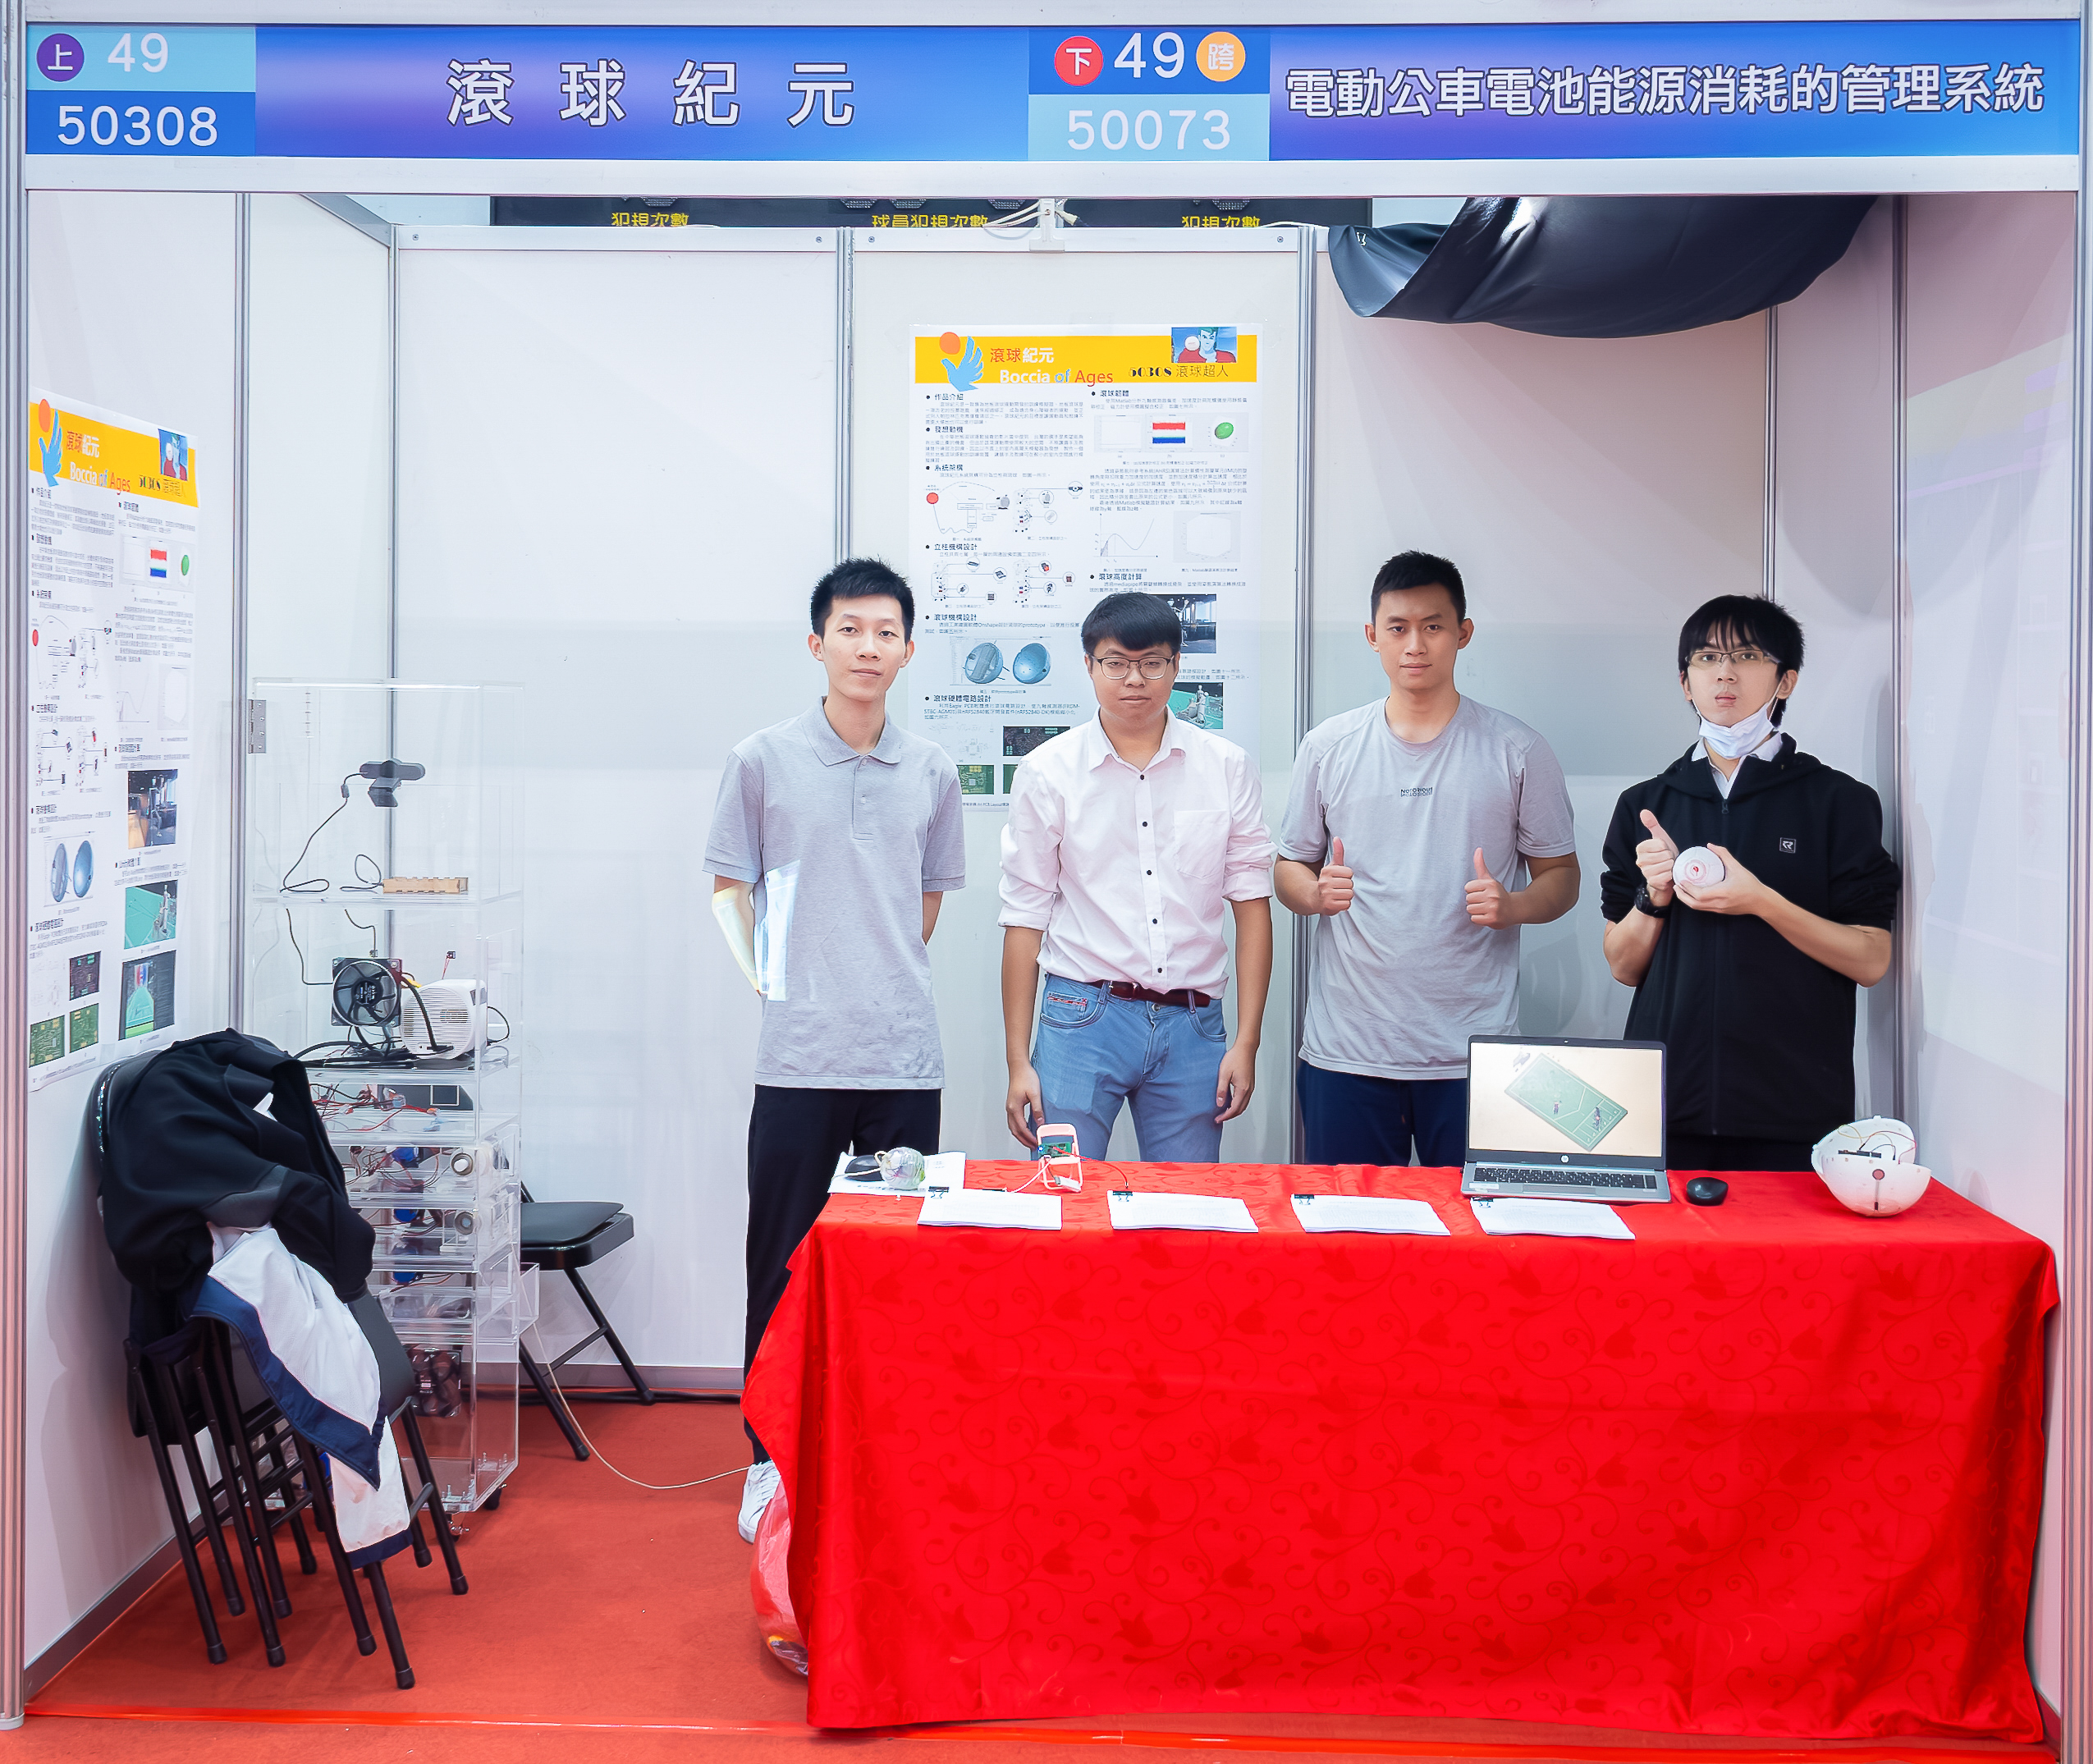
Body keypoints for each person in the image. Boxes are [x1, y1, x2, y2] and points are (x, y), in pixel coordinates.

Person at [704, 558, 964, 1542]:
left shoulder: (933, 770)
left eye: (886, 631)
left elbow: (925, 903)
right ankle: (768, 1459)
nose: (868, 646)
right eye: (850, 629)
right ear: (818, 643)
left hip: (902, 1062)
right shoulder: (761, 760)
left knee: (893, 1267)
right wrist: (778, 981)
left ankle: (878, 1452)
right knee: (778, 1265)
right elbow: (727, 887)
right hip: (799, 1063)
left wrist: (870, 972)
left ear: (908, 648)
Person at [1275, 551, 1578, 1167]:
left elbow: (1563, 876)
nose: (1415, 645)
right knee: (1347, 1224)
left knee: (1479, 1225)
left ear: (1463, 633)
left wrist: (1515, 906)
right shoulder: (1329, 746)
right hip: (1349, 1052)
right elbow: (1288, 868)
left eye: (1433, 626)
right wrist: (1312, 894)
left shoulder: (1517, 749)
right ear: (1373, 636)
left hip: (1476, 1055)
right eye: (1398, 627)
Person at [1600, 593, 1899, 1172]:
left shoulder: (1837, 802)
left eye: (1747, 655)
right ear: (1685, 682)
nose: (1725, 672)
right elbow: (1624, 966)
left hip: (1793, 1110)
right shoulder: (1646, 805)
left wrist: (1761, 901)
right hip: (1664, 1106)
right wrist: (1653, 897)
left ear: (1786, 680)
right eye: (1708, 658)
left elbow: (1870, 959)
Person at [1000, 591, 1273, 1161]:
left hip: (1194, 1025)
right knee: (1065, 1196)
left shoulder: (1227, 767)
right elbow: (1024, 917)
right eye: (1115, 663)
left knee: (1187, 1204)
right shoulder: (1048, 771)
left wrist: (1247, 1042)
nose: (1134, 679)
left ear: (1176, 665)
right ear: (1088, 665)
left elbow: (1252, 907)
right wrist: (1018, 1060)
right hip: (1080, 1018)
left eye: (1151, 663)